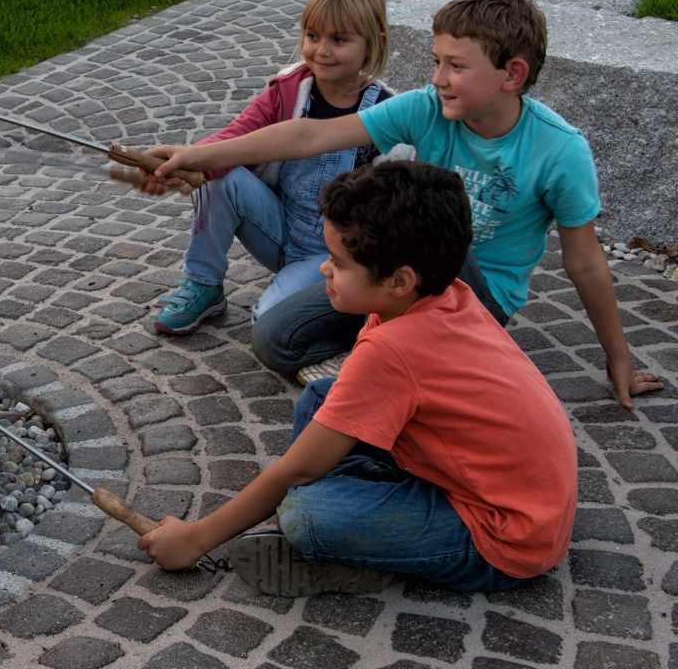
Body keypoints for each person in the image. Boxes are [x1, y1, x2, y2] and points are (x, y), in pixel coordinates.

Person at [145, 0, 660, 408]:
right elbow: (309, 135)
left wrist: (618, 359)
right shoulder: (426, 107)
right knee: (274, 339)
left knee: (439, 222)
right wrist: (199, 155)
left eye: (456, 66)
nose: (438, 79)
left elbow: (585, 261)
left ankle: (396, 358)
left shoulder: (560, 149)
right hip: (398, 280)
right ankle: (390, 357)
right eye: (436, 62)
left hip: (476, 297)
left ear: (513, 74)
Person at [138, 162, 577, 595]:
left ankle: (351, 554)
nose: (324, 270)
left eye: (338, 262)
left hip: (503, 537)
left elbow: (298, 469)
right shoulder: (443, 296)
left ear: (399, 280)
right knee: (320, 396)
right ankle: (368, 516)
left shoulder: (393, 350)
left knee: (307, 515)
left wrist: (195, 539)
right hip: (501, 489)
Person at [147, 0, 395, 335]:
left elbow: (390, 217)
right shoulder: (289, 91)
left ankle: (341, 309)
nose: (322, 50)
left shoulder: (387, 114)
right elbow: (235, 137)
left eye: (339, 40)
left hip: (335, 258)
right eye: (313, 36)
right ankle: (203, 283)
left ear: (375, 44)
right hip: (279, 228)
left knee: (269, 324)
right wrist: (187, 161)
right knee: (220, 173)